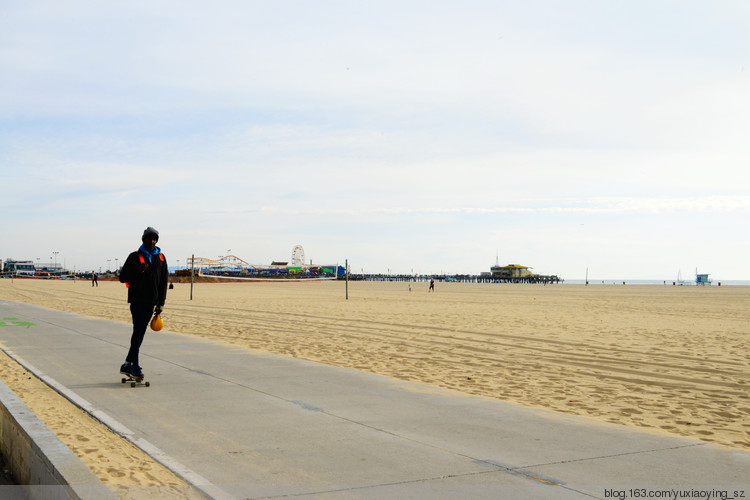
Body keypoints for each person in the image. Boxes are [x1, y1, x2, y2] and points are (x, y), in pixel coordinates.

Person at [118, 227, 168, 379]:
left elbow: (163, 282)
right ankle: (135, 366)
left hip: (152, 302)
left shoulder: (161, 258)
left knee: (140, 332)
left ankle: (127, 363)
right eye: (149, 238)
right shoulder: (134, 256)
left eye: (154, 239)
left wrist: (161, 303)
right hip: (137, 300)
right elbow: (122, 277)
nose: (152, 241)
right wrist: (138, 271)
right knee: (138, 330)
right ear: (143, 239)